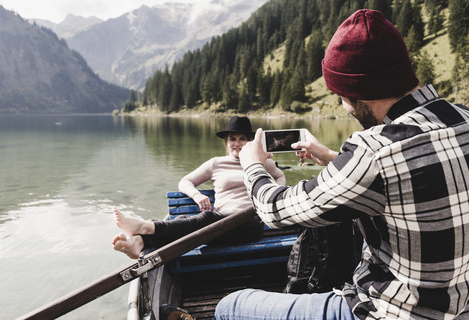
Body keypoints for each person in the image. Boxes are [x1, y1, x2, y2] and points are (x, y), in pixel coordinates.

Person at [214, 9, 469, 320]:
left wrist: (252, 164)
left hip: (392, 313)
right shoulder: (463, 118)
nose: (344, 107)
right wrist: (330, 158)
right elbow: (409, 180)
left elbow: (274, 210)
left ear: (358, 92)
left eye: (341, 95)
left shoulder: (373, 151)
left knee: (231, 306)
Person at [111, 116, 285, 260]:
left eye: (242, 139)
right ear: (226, 142)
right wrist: (196, 195)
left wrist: (272, 195)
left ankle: (148, 227)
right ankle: (140, 242)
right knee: (185, 220)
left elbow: (279, 175)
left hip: (249, 224)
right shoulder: (215, 163)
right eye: (232, 138)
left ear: (249, 142)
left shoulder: (260, 161)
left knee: (205, 219)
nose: (237, 143)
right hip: (217, 228)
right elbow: (185, 181)